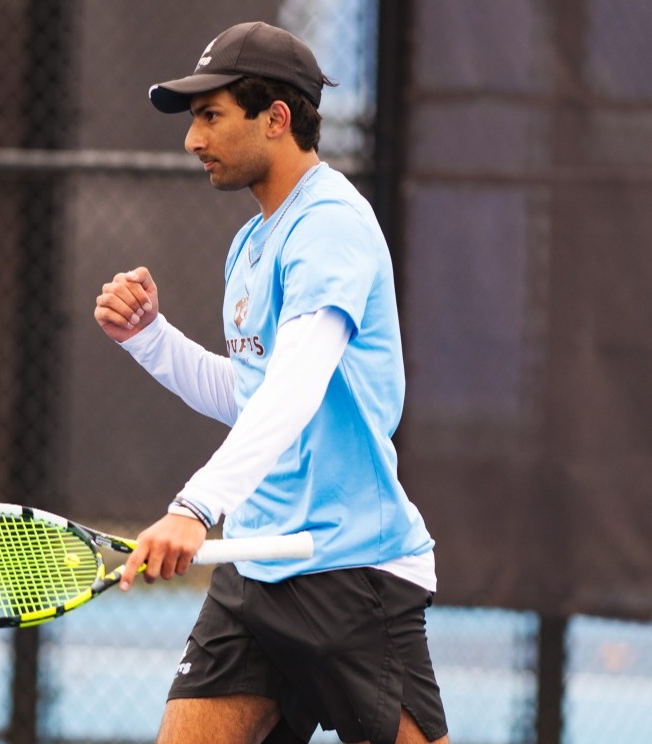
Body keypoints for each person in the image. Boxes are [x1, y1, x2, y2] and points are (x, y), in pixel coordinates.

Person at [93, 21, 450, 744]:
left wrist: (194, 508)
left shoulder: (329, 227)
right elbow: (255, 396)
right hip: (255, 572)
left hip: (351, 575)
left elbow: (296, 390)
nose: (193, 140)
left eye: (210, 116)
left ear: (276, 119)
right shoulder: (253, 241)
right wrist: (150, 341)